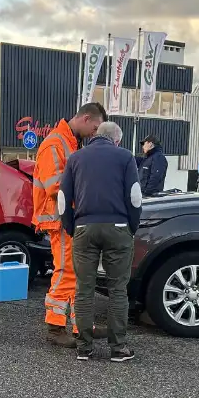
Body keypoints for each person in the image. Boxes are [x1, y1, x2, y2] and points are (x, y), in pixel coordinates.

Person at [59, 121, 142, 362]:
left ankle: (84, 347)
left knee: (84, 288)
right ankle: (119, 348)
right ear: (116, 140)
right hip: (118, 228)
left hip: (85, 227)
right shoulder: (125, 157)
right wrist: (131, 227)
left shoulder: (76, 158)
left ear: (96, 135)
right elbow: (135, 197)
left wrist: (72, 227)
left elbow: (64, 198)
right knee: (117, 289)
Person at [32, 102, 108, 348]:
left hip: (67, 217)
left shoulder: (69, 143)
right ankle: (54, 327)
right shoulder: (55, 144)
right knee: (66, 272)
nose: (95, 133)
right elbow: (55, 187)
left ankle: (80, 325)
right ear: (86, 118)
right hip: (59, 219)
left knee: (78, 273)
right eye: (95, 128)